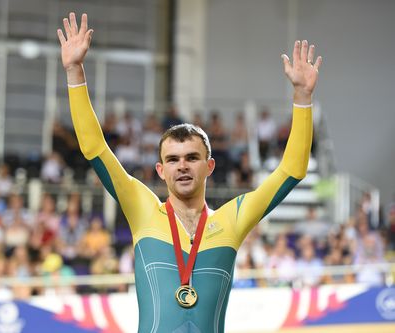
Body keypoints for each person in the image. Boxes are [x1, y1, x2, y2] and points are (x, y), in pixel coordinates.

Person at [57, 12, 322, 332]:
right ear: (161, 170)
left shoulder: (231, 220)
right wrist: (74, 71)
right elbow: (93, 148)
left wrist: (302, 98)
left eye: (192, 157)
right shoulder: (142, 210)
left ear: (209, 166)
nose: (182, 165)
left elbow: (292, 171)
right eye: (173, 159)